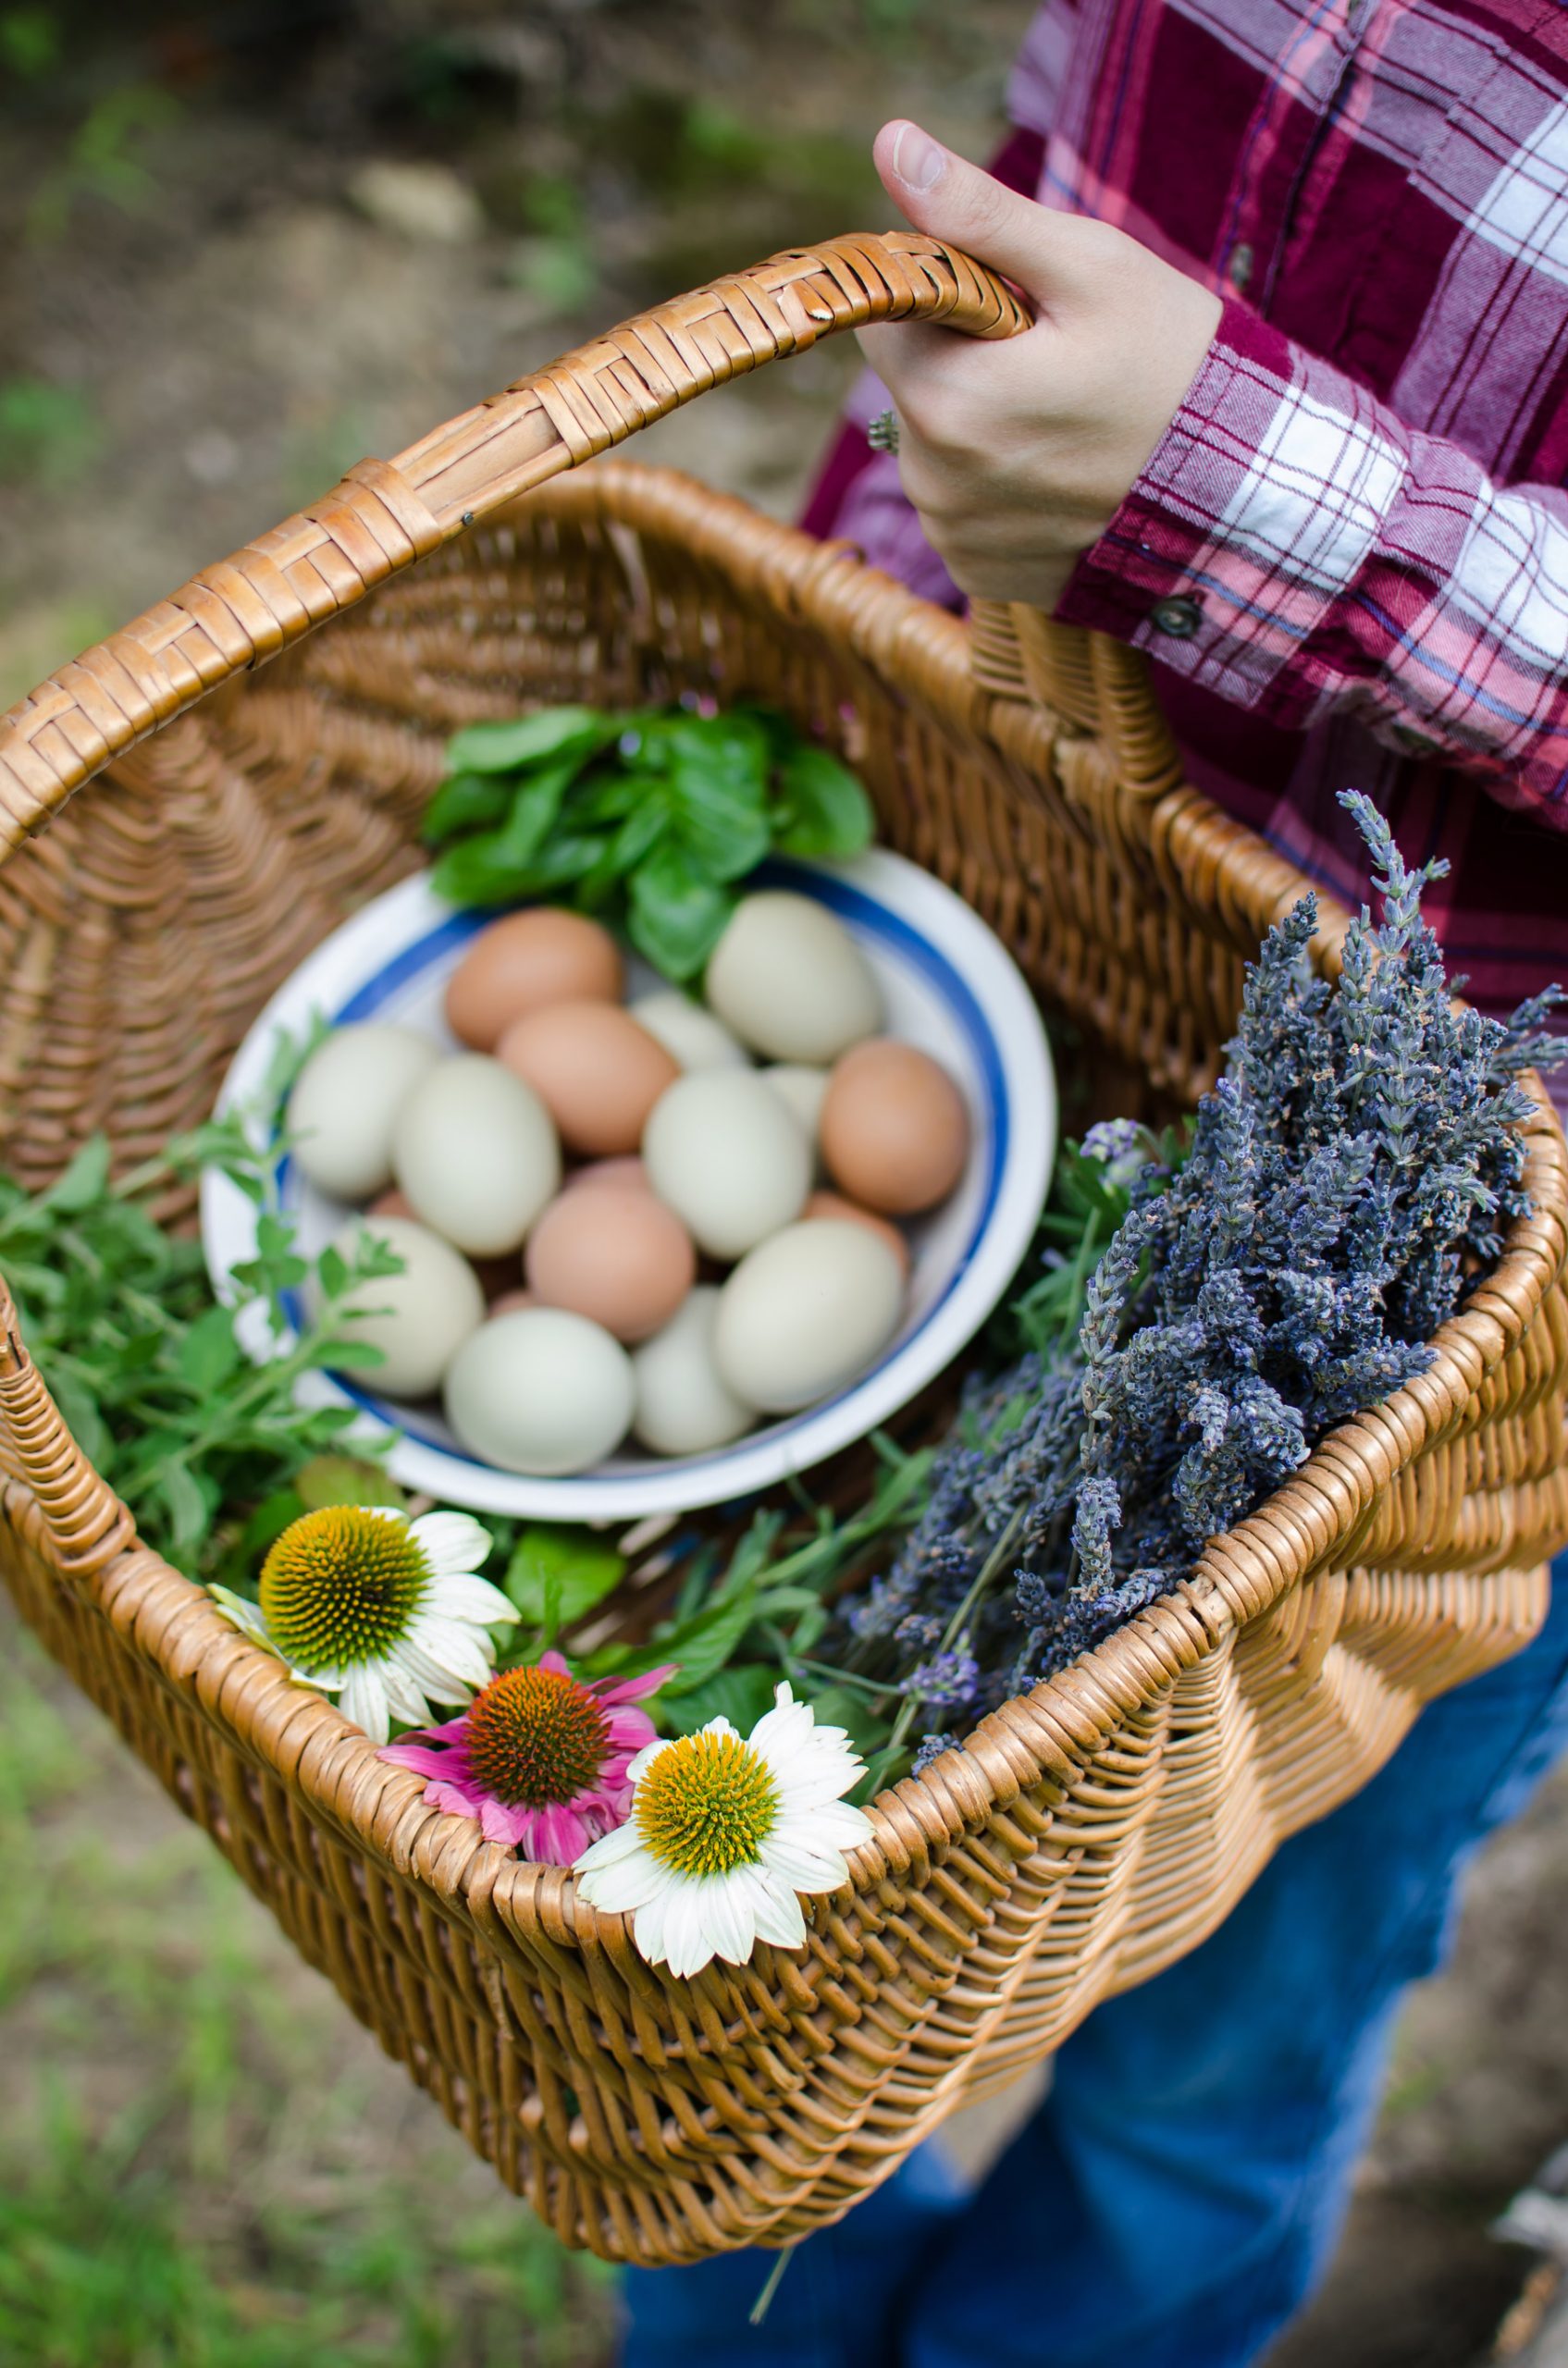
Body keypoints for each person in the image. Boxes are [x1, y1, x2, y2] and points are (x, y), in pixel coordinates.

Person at [623, 7, 1568, 2361]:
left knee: (1212, 2050)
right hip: (1000, 1000)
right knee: (744, 1908)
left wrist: (1245, 493)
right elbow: (1078, 172)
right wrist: (875, 678)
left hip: (1466, 1314)